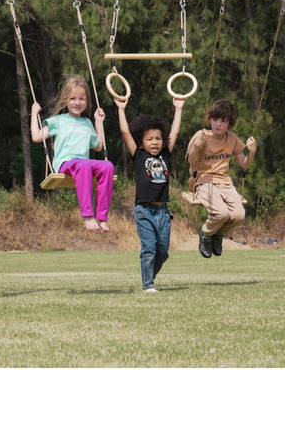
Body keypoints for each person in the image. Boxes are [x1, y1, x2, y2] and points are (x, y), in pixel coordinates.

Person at [115, 96, 185, 293]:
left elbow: (175, 131)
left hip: (163, 212)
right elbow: (125, 131)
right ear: (141, 142)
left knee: (162, 253)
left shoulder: (165, 154)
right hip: (144, 211)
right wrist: (121, 109)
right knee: (149, 248)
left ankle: (148, 277)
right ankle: (148, 285)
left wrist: (178, 108)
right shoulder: (139, 155)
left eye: (158, 138)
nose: (155, 142)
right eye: (149, 139)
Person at [31, 74, 114, 232]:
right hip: (65, 164)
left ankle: (102, 217)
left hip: (84, 165)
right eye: (73, 99)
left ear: (86, 101)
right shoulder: (58, 121)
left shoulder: (87, 123)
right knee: (83, 165)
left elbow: (98, 146)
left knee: (107, 166)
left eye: (81, 99)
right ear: (66, 101)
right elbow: (36, 137)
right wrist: (34, 114)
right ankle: (87, 215)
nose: (77, 102)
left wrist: (98, 122)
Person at [185, 99, 256, 258]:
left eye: (223, 121)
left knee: (239, 215)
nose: (217, 124)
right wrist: (197, 146)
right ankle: (205, 233)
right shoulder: (201, 135)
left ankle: (218, 235)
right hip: (204, 181)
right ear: (209, 118)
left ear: (229, 123)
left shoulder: (232, 138)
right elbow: (191, 161)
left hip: (224, 182)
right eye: (215, 119)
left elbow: (243, 164)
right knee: (221, 214)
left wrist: (251, 152)